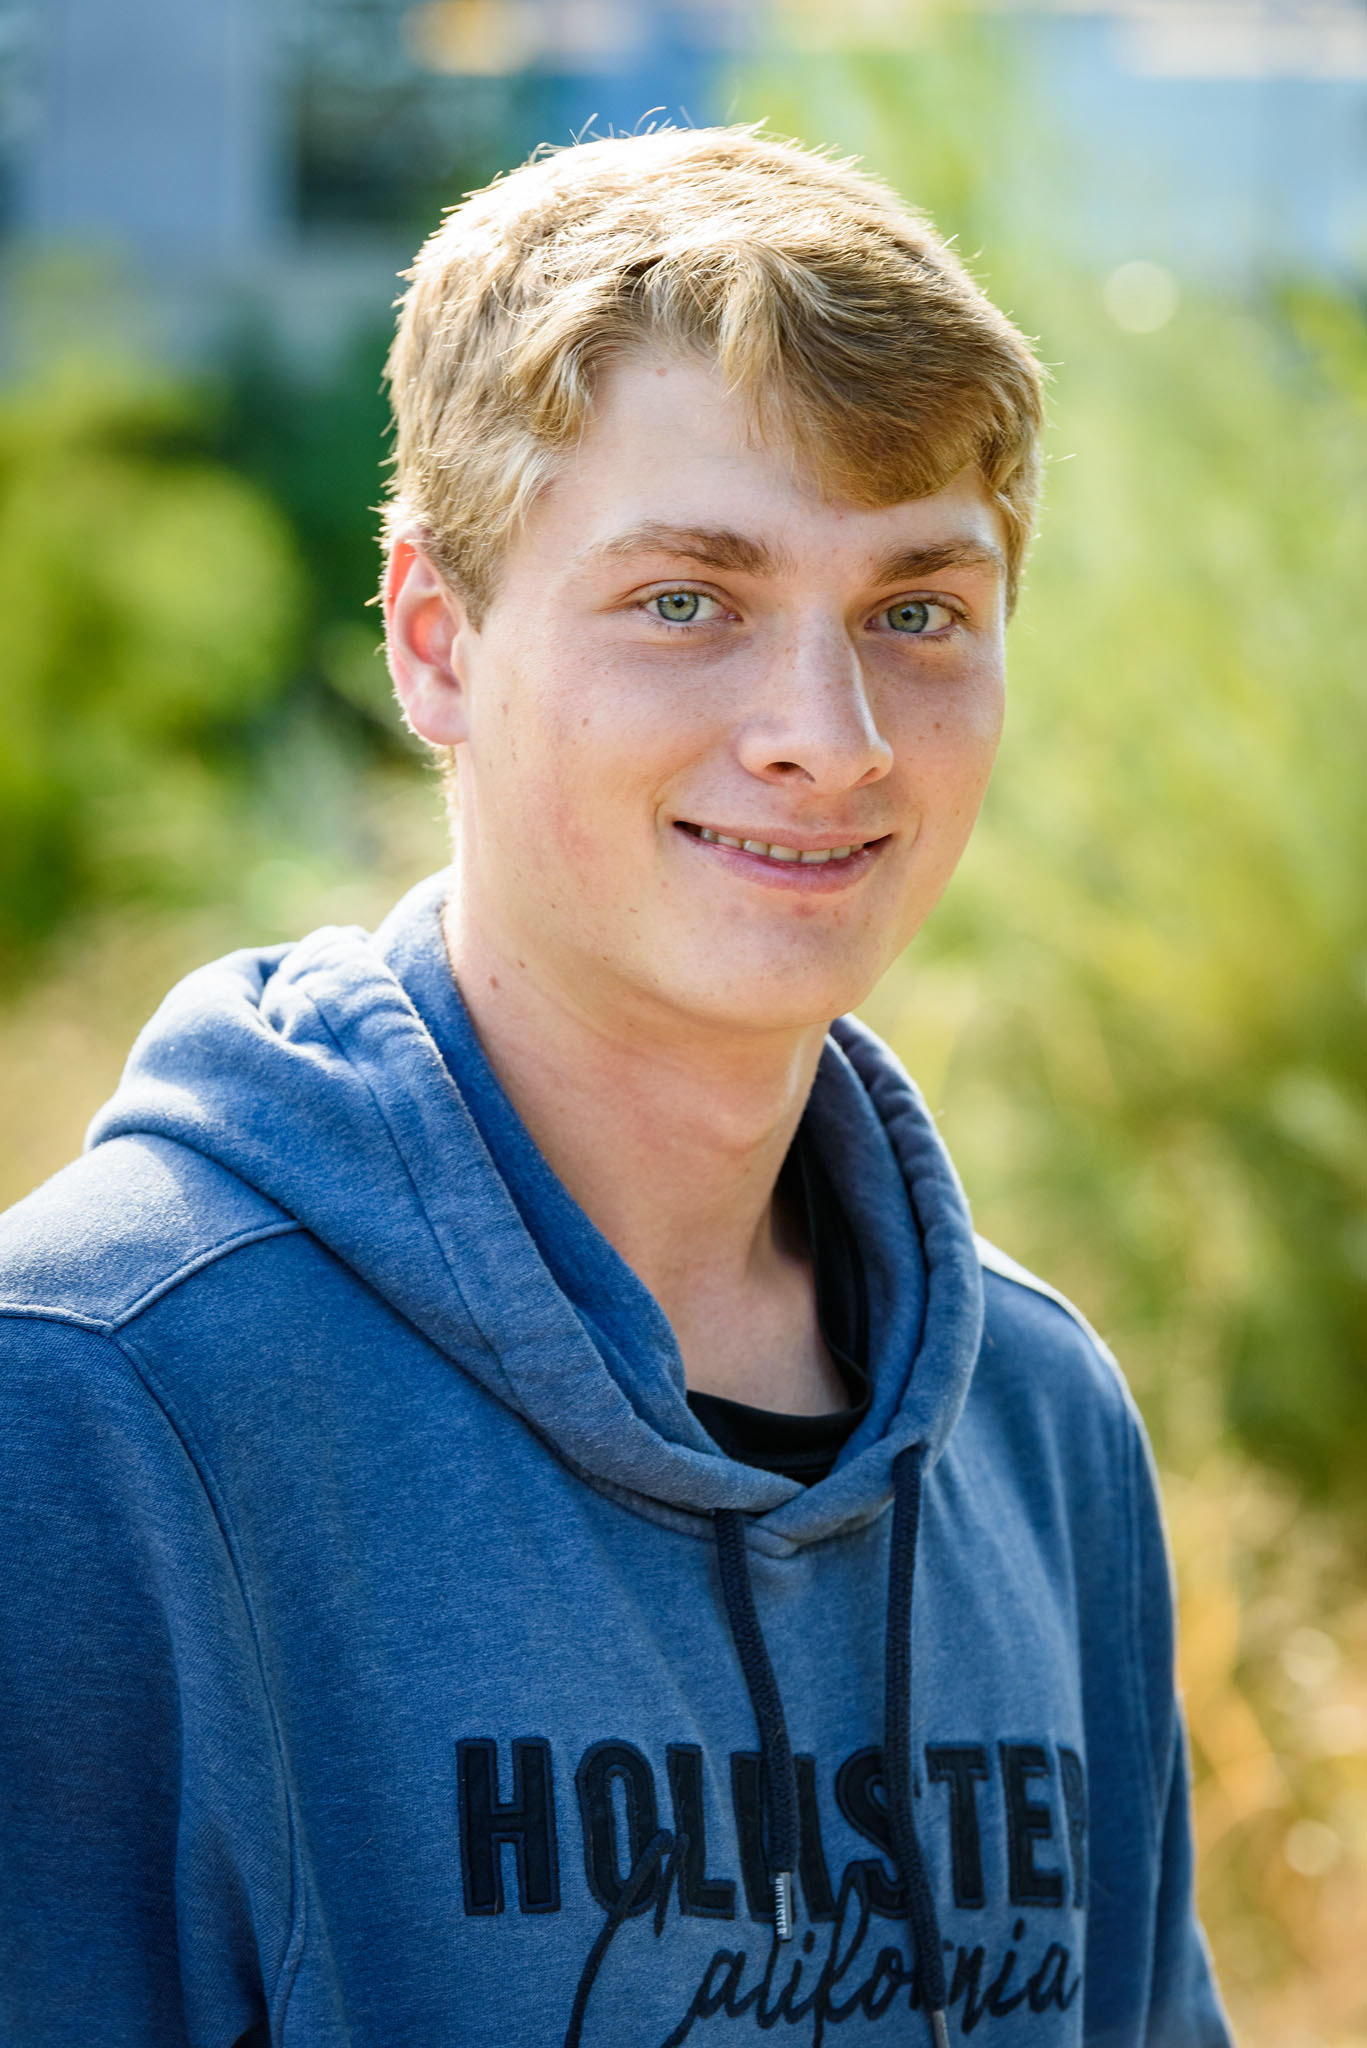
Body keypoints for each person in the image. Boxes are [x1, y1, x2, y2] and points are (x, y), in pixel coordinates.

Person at [0, 127, 1231, 2047]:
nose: (829, 739)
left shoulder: (1043, 1421)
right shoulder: (91, 1408)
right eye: (686, 600)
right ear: (436, 642)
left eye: (916, 610)